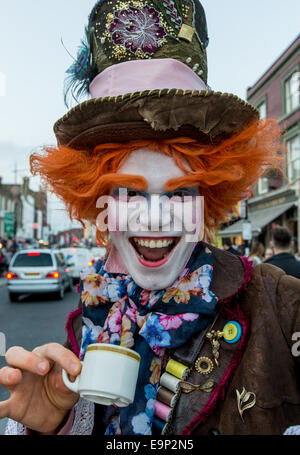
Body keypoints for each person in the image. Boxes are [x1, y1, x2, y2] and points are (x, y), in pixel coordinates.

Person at [2, 0, 300, 436]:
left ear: (208, 197)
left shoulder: (283, 307)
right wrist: (54, 424)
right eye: (128, 192)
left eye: (180, 192)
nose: (156, 219)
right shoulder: (96, 307)